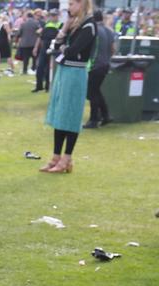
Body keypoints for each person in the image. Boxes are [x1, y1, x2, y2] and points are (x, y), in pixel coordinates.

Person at [42, 0, 96, 174]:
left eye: (72, 3)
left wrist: (63, 47)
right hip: (64, 71)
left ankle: (67, 158)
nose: (69, 7)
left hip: (76, 73)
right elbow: (57, 46)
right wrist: (64, 29)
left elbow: (72, 50)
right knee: (60, 113)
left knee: (71, 114)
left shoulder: (89, 25)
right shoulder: (72, 23)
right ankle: (56, 157)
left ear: (82, 4)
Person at [85, 9, 115, 129]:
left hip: (95, 65)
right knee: (96, 91)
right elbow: (113, 49)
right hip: (105, 64)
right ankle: (106, 115)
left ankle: (94, 120)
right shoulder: (108, 30)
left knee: (92, 93)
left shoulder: (94, 30)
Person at [32, 9, 62, 92]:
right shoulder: (46, 25)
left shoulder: (61, 25)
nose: (53, 17)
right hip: (44, 47)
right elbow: (40, 37)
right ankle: (39, 86)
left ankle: (47, 87)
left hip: (54, 48)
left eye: (54, 15)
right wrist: (35, 47)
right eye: (51, 15)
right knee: (40, 67)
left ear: (58, 16)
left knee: (50, 68)